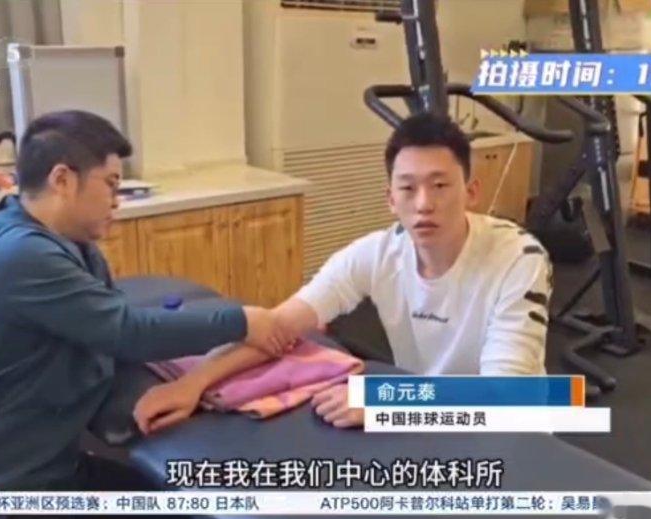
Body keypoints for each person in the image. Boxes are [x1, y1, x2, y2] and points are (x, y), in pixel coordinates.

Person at [0, 110, 291, 519]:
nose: (117, 199)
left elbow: (107, 329)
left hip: (48, 474)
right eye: (110, 184)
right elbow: (126, 331)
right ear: (62, 179)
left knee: (168, 512)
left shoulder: (71, 245)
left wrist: (196, 377)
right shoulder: (16, 253)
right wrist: (241, 321)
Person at [133, 112, 552, 432]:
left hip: (511, 431)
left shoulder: (518, 258)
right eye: (408, 188)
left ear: (471, 192)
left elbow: (508, 396)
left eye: (440, 186)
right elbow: (277, 327)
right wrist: (192, 384)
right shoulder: (377, 253)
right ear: (390, 199)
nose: (424, 203)